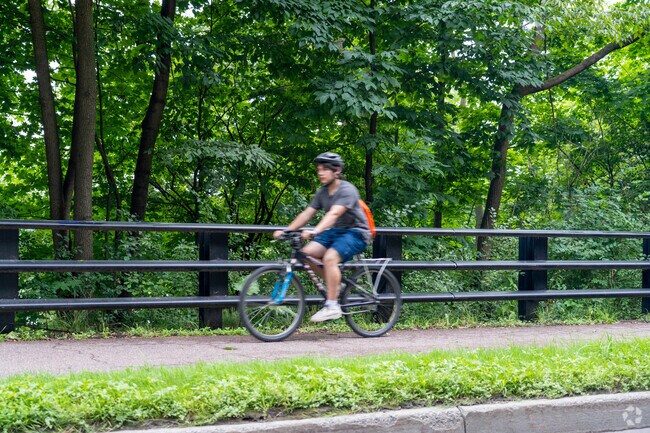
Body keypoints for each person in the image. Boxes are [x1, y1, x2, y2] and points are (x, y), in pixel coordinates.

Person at [273, 152, 371, 322]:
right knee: (305, 254)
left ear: (337, 170)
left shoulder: (347, 189)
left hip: (357, 232)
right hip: (336, 232)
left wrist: (316, 230)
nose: (320, 173)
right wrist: (287, 230)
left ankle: (332, 305)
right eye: (319, 169)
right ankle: (335, 283)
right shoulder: (322, 192)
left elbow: (334, 214)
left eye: (325, 169)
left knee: (330, 257)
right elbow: (307, 214)